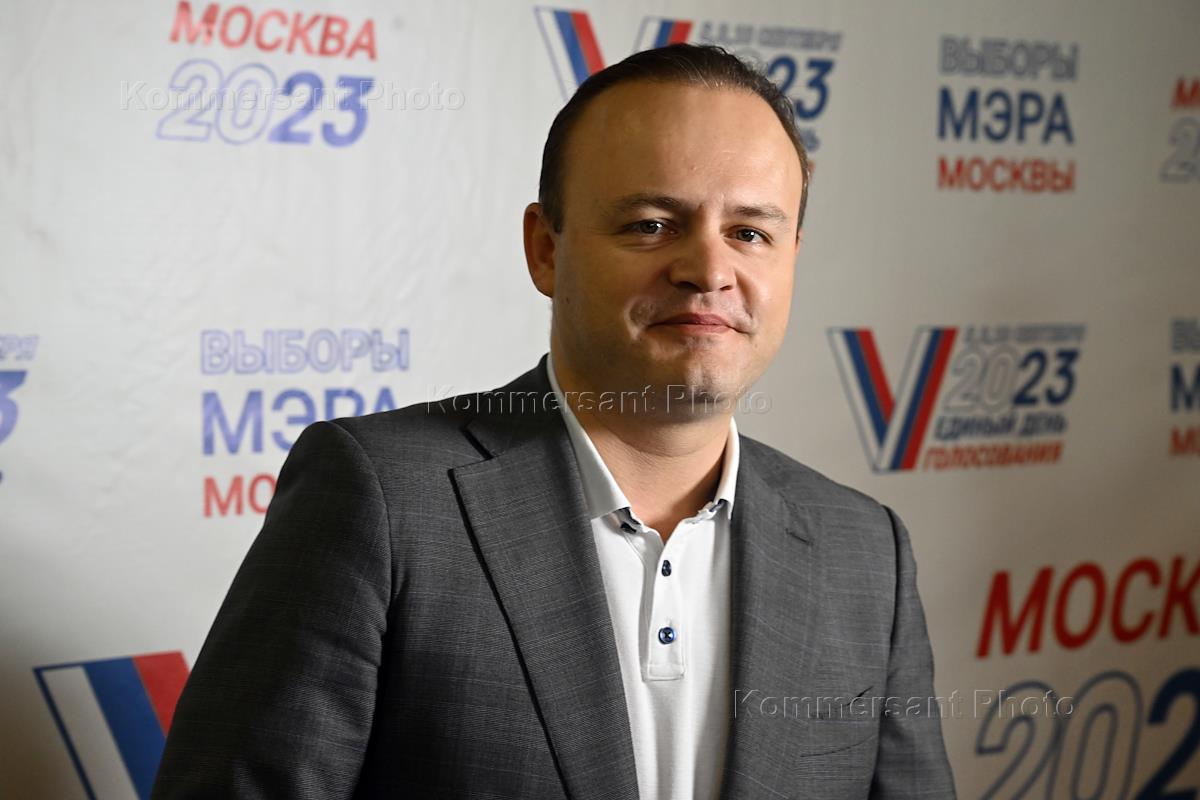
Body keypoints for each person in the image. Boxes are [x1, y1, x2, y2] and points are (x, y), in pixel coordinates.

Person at [152, 44, 956, 799]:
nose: (709, 270)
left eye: (750, 232)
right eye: (652, 224)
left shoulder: (865, 550)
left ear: (791, 258)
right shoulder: (383, 501)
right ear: (545, 248)